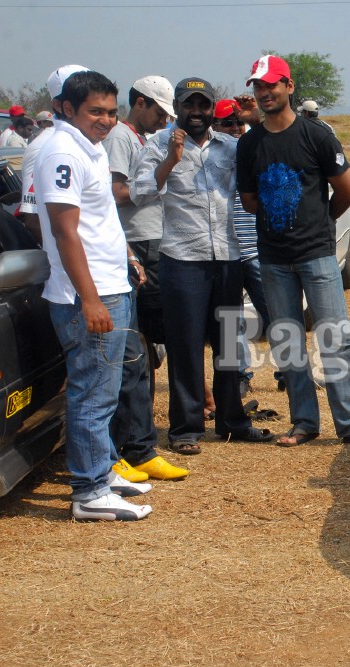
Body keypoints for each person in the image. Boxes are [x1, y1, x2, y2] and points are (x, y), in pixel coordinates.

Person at [237, 54, 350, 449]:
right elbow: (250, 201)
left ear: (289, 86)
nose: (264, 92)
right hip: (273, 257)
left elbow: (347, 193)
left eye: (272, 85)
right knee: (287, 341)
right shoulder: (249, 144)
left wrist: (319, 224)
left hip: (317, 254)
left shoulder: (317, 136)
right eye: (258, 86)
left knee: (334, 338)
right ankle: (304, 422)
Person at [33, 69, 153, 521]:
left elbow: (100, 220)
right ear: (67, 108)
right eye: (94, 112)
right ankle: (88, 491)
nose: (105, 120)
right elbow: (65, 233)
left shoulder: (91, 148)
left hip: (111, 284)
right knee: (92, 394)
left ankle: (101, 471)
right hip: (89, 293)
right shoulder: (63, 151)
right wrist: (89, 299)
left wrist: (125, 262)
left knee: (108, 387)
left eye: (110, 111)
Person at [132, 77, 272, 456]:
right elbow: (139, 191)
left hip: (227, 257)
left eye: (203, 105)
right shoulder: (158, 144)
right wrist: (171, 161)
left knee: (227, 343)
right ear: (177, 107)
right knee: (186, 345)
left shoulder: (230, 145)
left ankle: (233, 422)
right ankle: (185, 428)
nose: (196, 112)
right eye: (189, 105)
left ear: (213, 109)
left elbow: (266, 154)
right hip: (182, 259)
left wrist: (254, 120)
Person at [103, 75, 188, 481]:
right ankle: (133, 443)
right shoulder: (120, 136)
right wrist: (152, 184)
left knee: (145, 349)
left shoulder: (142, 138)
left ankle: (140, 440)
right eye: (158, 112)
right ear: (139, 103)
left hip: (154, 241)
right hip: (139, 243)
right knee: (139, 348)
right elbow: (116, 191)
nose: (162, 119)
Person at [212, 98, 273, 396]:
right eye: (227, 122)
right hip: (224, 251)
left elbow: (274, 141)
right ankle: (239, 375)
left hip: (256, 248)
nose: (235, 127)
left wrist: (257, 119)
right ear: (214, 126)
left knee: (276, 314)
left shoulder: (251, 148)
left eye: (238, 121)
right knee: (230, 318)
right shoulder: (209, 154)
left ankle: (292, 371)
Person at [19, 65, 89, 245]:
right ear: (59, 105)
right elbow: (33, 220)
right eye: (84, 99)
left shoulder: (90, 143)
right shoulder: (44, 147)